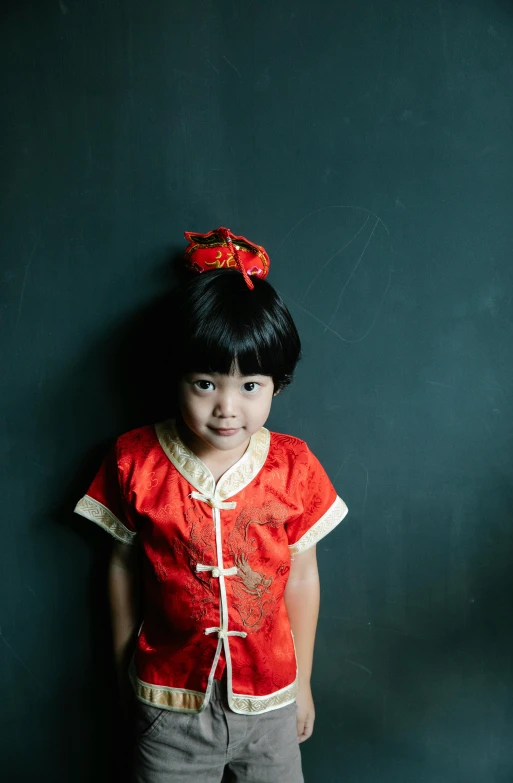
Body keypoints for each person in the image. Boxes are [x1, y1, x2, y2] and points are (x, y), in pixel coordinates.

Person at [75, 227, 348, 783]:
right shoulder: (135, 459)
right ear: (177, 377)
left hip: (271, 701)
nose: (227, 407)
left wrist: (303, 683)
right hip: (168, 707)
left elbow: (302, 576)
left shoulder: (293, 466)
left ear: (278, 384)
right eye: (204, 383)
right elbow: (122, 568)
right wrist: (125, 668)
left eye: (250, 386)